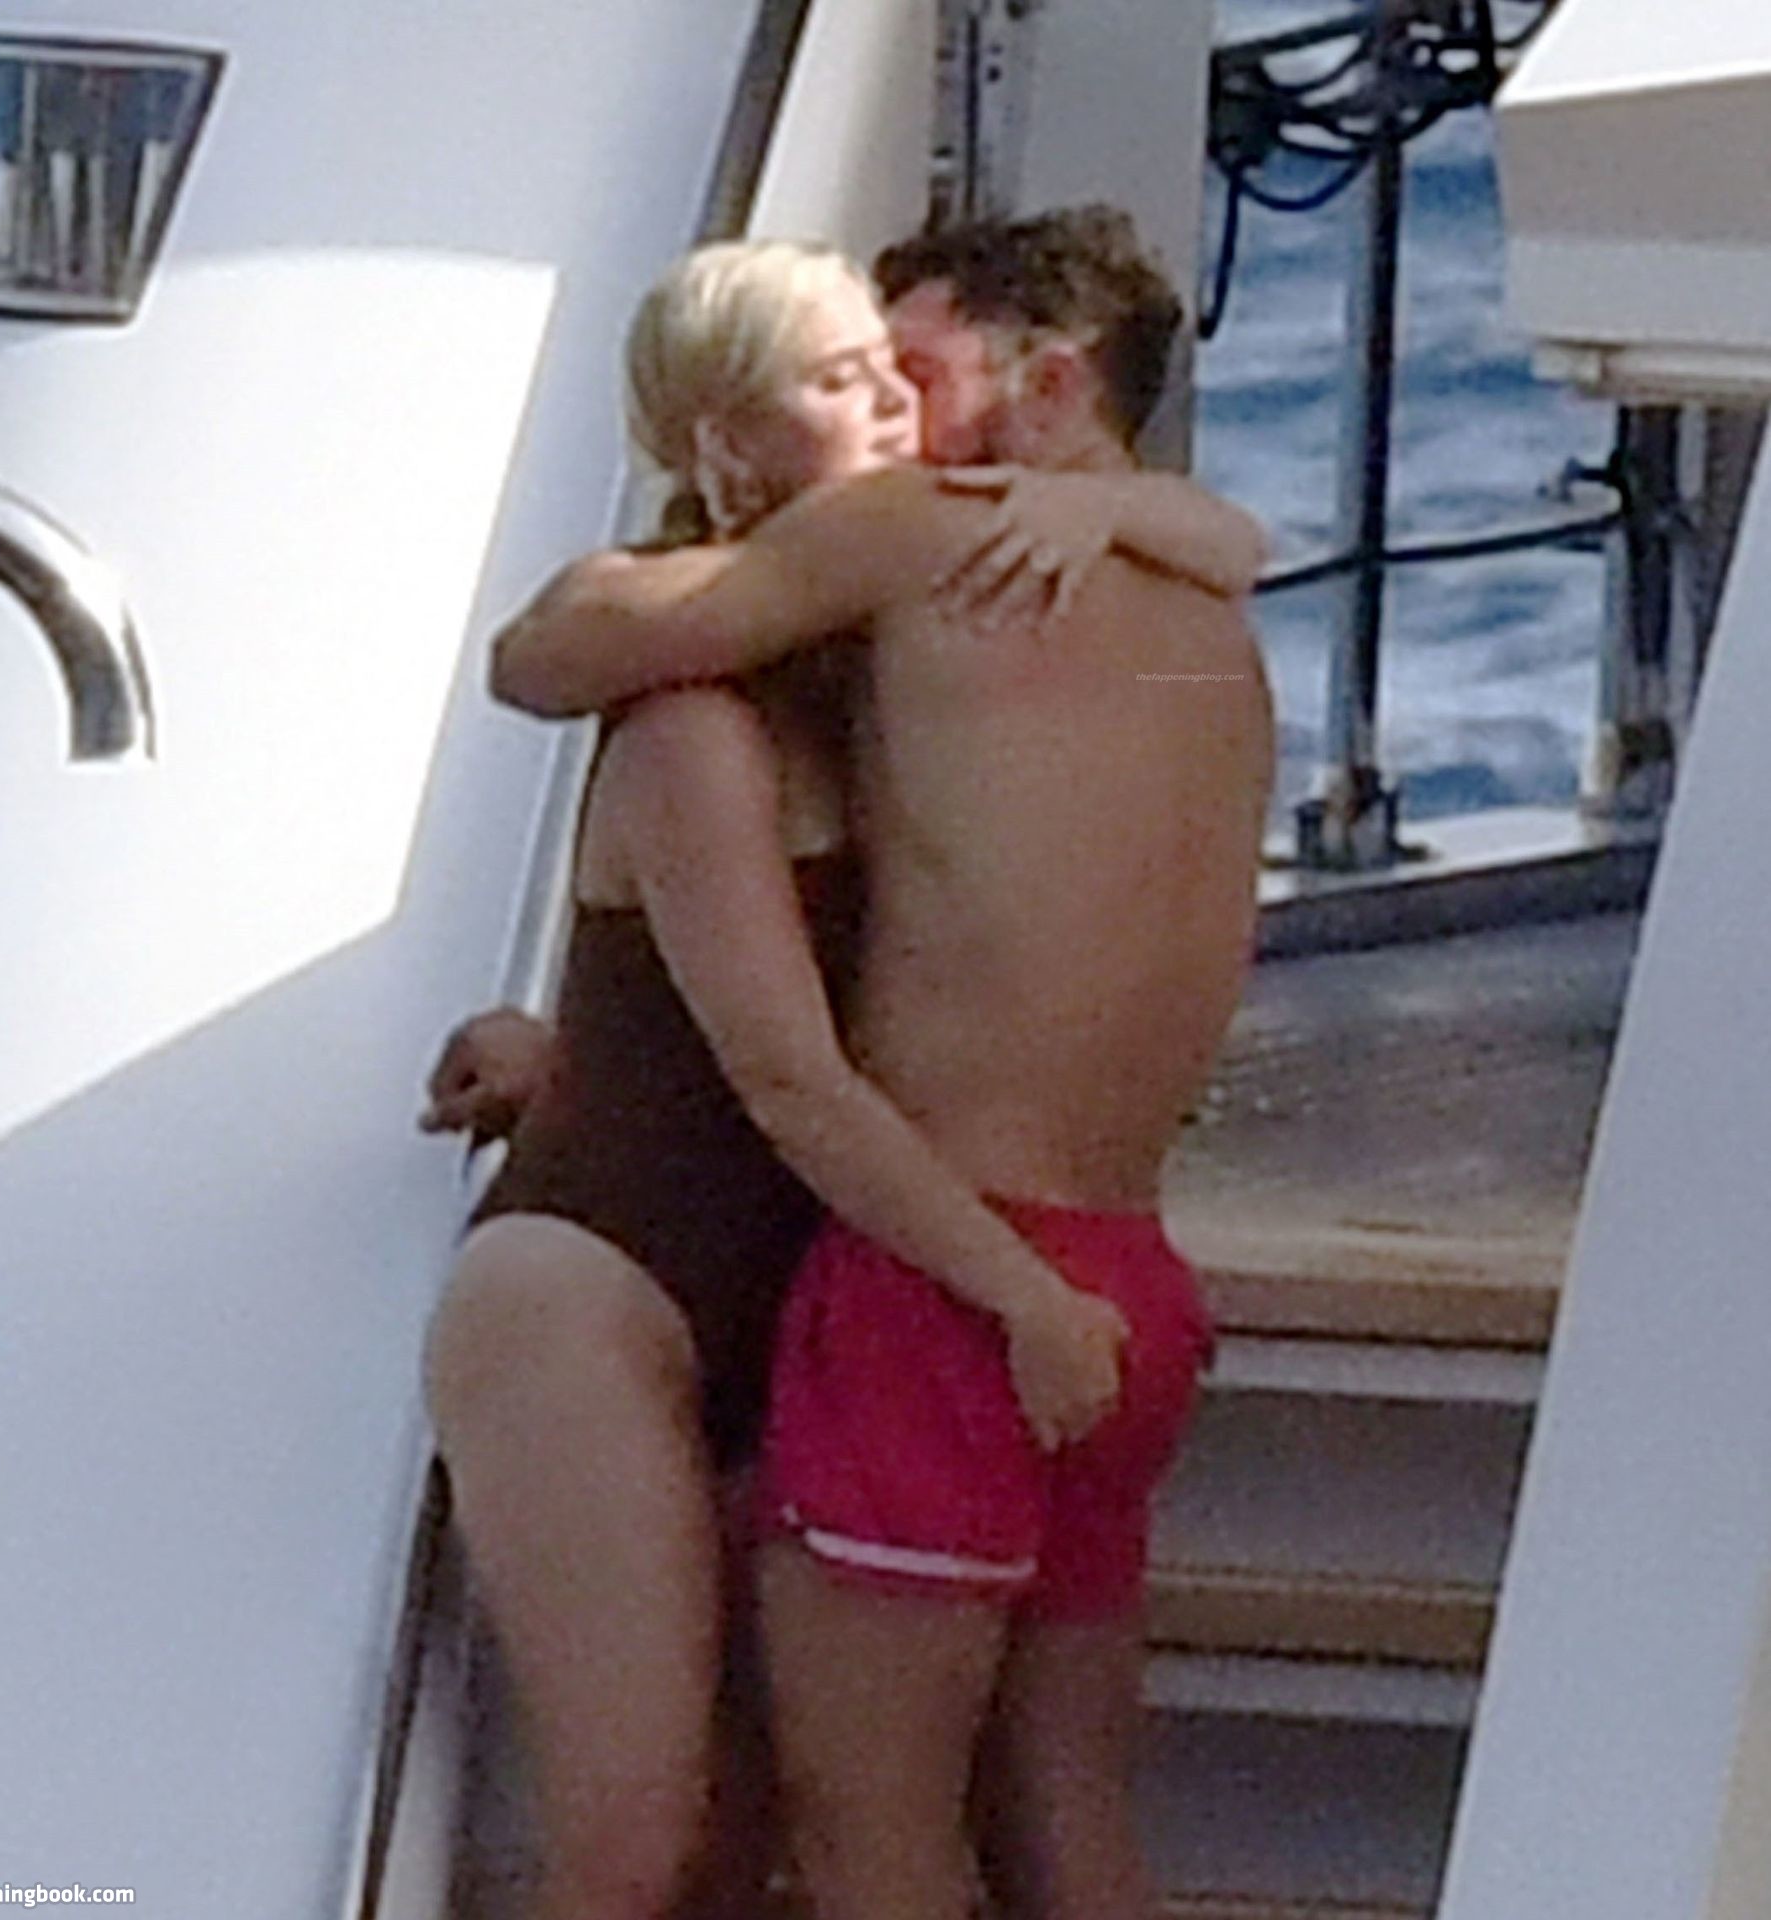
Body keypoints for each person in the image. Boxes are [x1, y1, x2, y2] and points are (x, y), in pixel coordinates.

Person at [425, 229, 1264, 1920]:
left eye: (911, 372)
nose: (896, 413)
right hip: (1054, 1276)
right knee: (1010, 1818)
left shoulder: (905, 580)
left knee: (857, 1834)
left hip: (939, 1281)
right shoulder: (1209, 629)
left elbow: (549, 655)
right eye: (850, 377)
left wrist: (1013, 1297)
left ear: (1045, 383)